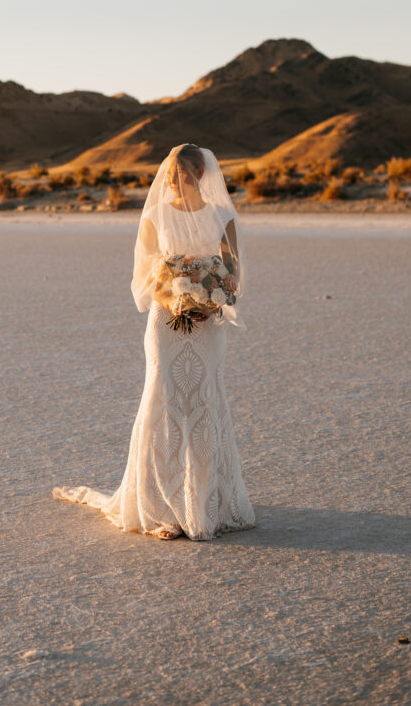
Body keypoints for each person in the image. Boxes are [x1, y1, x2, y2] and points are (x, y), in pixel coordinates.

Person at [52, 144, 255, 541]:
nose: (174, 180)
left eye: (183, 173)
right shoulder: (155, 216)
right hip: (166, 322)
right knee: (164, 401)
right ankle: (162, 509)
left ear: (201, 172)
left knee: (204, 402)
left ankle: (205, 504)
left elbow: (231, 273)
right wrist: (177, 302)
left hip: (208, 325)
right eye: (171, 173)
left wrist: (209, 304)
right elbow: (146, 276)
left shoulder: (222, 216)